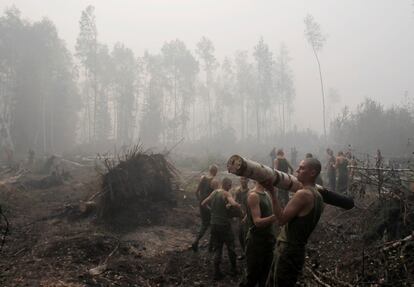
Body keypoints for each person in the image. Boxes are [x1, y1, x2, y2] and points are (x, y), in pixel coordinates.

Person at [267, 158, 325, 287]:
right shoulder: (319, 196)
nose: (297, 170)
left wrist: (271, 192)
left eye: (302, 168)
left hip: (287, 249)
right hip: (297, 249)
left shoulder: (303, 194)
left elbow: (281, 220)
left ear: (312, 173)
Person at [201, 177, 241, 280]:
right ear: (227, 185)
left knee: (217, 248)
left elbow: (203, 203)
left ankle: (216, 273)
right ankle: (234, 270)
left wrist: (212, 211)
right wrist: (238, 206)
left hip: (214, 224)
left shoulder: (215, 192)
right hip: (224, 225)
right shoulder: (226, 194)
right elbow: (234, 204)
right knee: (231, 247)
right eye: (230, 185)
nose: (231, 187)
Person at [240, 181, 276, 287]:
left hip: (268, 242)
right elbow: (257, 222)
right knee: (251, 277)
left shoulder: (267, 195)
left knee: (265, 277)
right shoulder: (254, 195)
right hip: (256, 243)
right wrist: (275, 217)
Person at [191, 164, 219, 252]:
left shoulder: (203, 178)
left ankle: (196, 242)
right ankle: (210, 247)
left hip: (202, 204)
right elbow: (216, 195)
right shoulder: (214, 181)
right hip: (210, 206)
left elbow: (196, 192)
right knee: (213, 224)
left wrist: (201, 201)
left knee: (204, 224)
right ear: (215, 172)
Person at [234, 177, 250, 259]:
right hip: (239, 217)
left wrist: (246, 217)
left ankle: (248, 254)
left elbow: (251, 208)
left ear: (248, 180)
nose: (243, 180)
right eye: (242, 179)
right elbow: (235, 202)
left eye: (245, 179)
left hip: (247, 217)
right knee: (240, 236)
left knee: (246, 236)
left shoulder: (250, 192)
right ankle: (244, 252)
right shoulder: (238, 191)